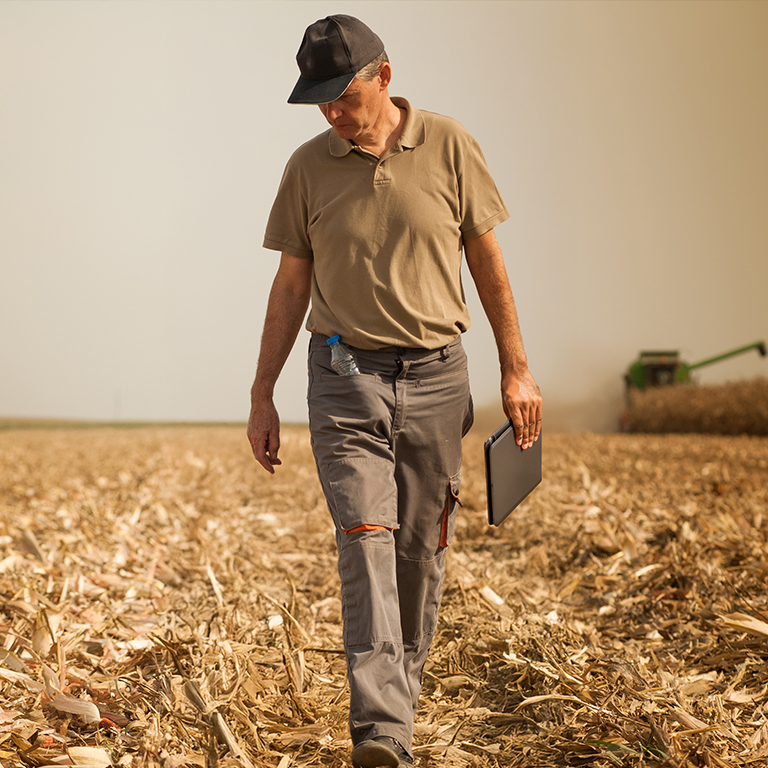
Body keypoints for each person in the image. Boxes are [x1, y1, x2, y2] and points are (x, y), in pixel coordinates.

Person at [247, 14, 542, 768]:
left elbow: (489, 263)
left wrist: (515, 367)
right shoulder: (307, 167)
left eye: (342, 96)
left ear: (383, 76)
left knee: (418, 548)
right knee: (366, 539)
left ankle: (396, 703)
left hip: (440, 377)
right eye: (318, 101)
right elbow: (290, 286)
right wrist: (261, 392)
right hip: (344, 379)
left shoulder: (449, 144)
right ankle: (381, 729)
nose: (331, 114)